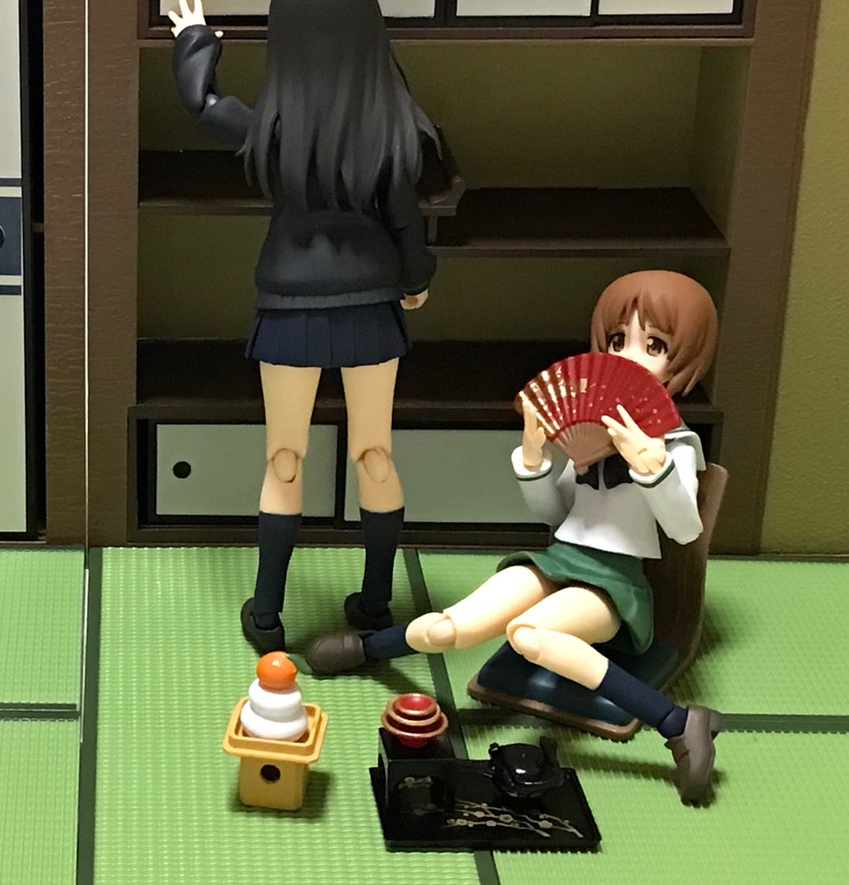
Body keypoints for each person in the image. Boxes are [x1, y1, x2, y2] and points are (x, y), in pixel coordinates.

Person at [305, 269, 723, 803]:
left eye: (655, 345)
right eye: (618, 340)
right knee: (452, 627)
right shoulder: (591, 430)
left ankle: (680, 723)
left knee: (529, 635)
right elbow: (556, 512)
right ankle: (367, 648)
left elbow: (684, 529)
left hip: (613, 585)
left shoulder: (675, 444)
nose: (629, 357)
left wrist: (652, 468)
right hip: (557, 560)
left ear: (686, 359)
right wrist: (533, 459)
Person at [169, 0, 437, 654]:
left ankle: (266, 615)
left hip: (290, 302)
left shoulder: (275, 127)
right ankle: (375, 604)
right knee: (375, 454)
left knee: (283, 458)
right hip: (372, 301)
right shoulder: (392, 123)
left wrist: (194, 40)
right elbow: (407, 219)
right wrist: (416, 279)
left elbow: (205, 107)